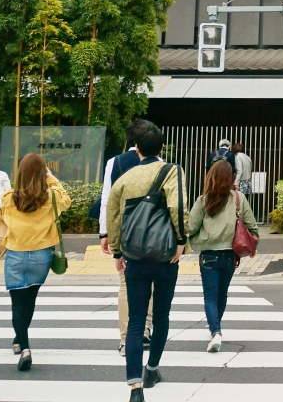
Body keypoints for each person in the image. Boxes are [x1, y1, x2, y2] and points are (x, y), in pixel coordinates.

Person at [106, 122, 188, 402]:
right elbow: (178, 207)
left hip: (135, 258)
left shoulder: (125, 179)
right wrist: (181, 241)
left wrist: (117, 254)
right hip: (166, 256)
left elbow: (113, 218)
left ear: (136, 149)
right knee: (161, 315)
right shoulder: (171, 171)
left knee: (136, 320)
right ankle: (152, 369)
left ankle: (135, 387)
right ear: (162, 148)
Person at [0, 153, 70, 372]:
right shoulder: (50, 196)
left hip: (16, 256)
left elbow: (1, 218)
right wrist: (52, 179)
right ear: (42, 173)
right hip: (41, 256)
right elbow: (66, 199)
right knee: (30, 300)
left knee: (18, 303)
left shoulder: (9, 197)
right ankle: (19, 338)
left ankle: (24, 345)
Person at [188, 159, 258, 352]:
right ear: (231, 178)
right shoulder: (238, 198)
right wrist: (253, 245)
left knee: (210, 296)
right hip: (230, 255)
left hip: (209, 254)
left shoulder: (203, 200)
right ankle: (215, 326)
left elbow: (191, 227)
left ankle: (215, 332)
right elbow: (251, 225)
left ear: (211, 176)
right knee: (222, 294)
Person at [99, 121, 154, 355]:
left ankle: (124, 339)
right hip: (151, 232)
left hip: (122, 231)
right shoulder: (160, 164)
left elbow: (107, 201)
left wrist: (105, 233)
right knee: (149, 282)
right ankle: (146, 329)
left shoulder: (115, 163)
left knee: (125, 283)